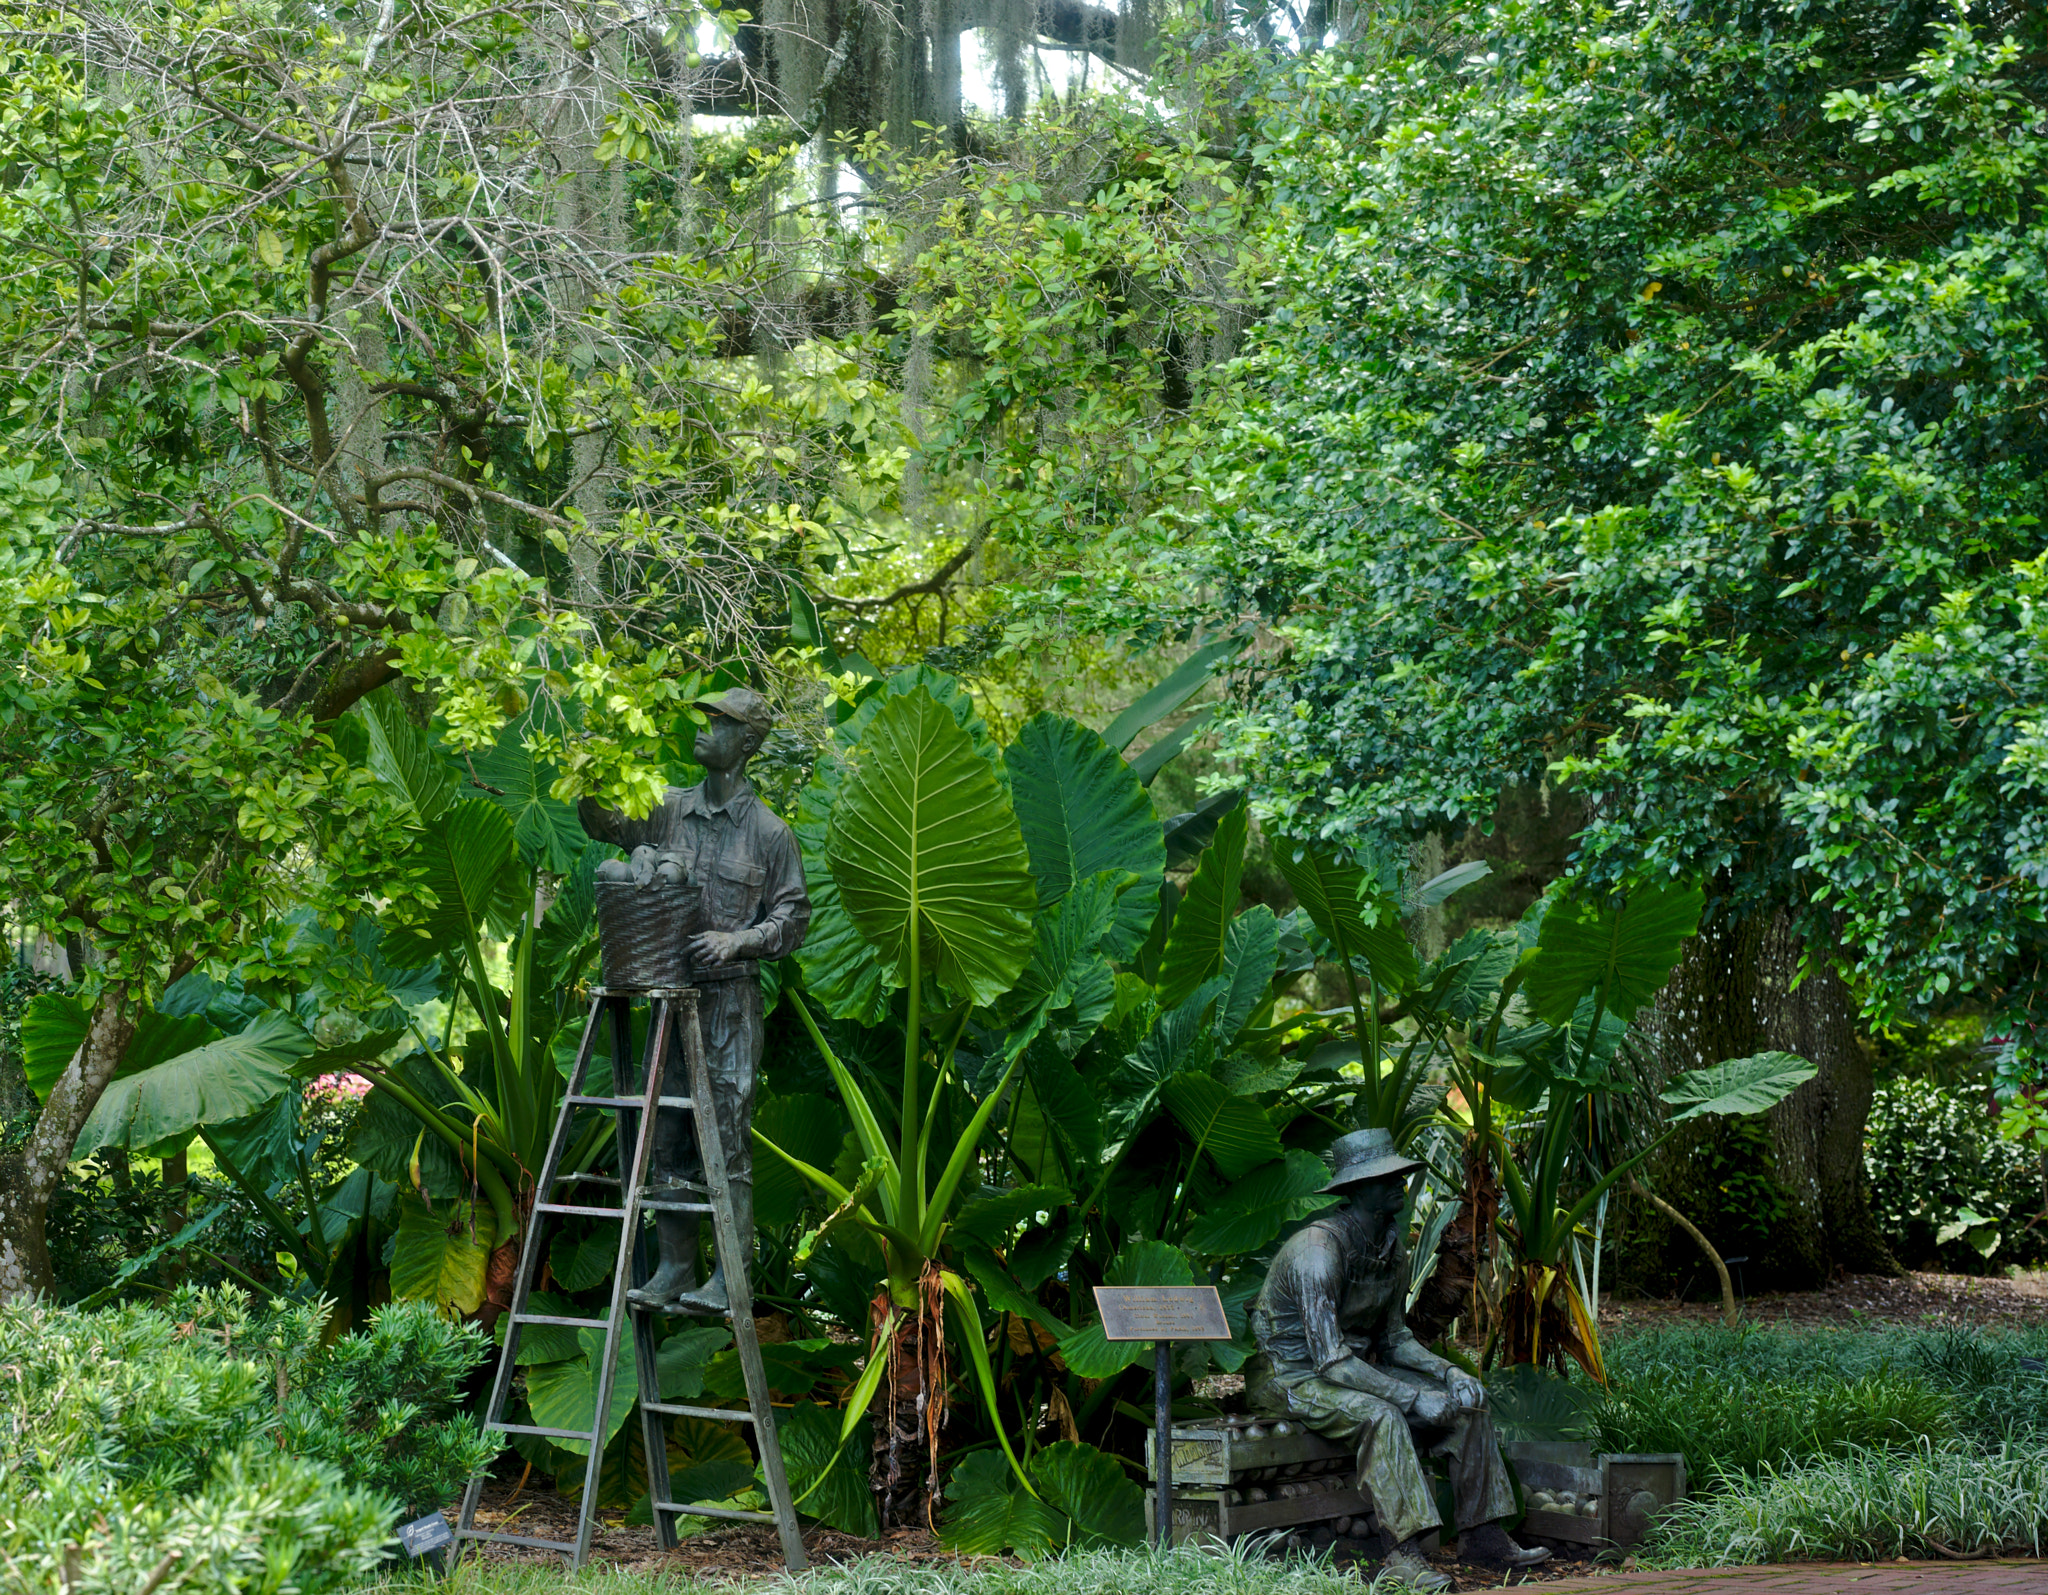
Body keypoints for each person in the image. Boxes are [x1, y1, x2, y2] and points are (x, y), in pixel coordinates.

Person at [577, 686, 811, 1312]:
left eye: (720, 722)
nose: (704, 728)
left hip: (728, 1007)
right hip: (668, 998)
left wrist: (738, 942)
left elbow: (793, 918)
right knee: (667, 1135)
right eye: (705, 717)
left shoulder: (770, 833)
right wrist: (592, 766)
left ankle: (729, 1278)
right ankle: (677, 1267)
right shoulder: (668, 810)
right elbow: (605, 824)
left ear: (747, 743)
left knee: (727, 1140)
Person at [1246, 1128, 1551, 1589]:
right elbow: (1329, 1361)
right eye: (1384, 1177)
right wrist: (1411, 1398)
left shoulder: (1390, 1246)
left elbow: (1393, 1338)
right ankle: (1402, 1554)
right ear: (1356, 1189)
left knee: (1466, 1408)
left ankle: (1484, 1536)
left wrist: (1447, 1372)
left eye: (1399, 1174)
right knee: (1383, 1416)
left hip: (1349, 1367)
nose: (1399, 1184)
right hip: (1292, 1375)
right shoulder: (1318, 1252)